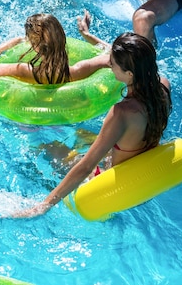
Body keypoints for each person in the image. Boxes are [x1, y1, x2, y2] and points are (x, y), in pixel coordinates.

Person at [12, 32, 172, 218]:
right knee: (80, 133)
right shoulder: (163, 87)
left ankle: (35, 133)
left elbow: (86, 166)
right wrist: (88, 35)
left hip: (110, 182)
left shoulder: (122, 112)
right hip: (140, 169)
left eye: (113, 64)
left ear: (129, 74)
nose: (110, 65)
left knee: (48, 147)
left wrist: (42, 207)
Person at [0, 13, 108, 83]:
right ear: (63, 39)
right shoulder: (79, 71)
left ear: (34, 46)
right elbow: (111, 54)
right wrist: (86, 34)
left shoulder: (25, 70)